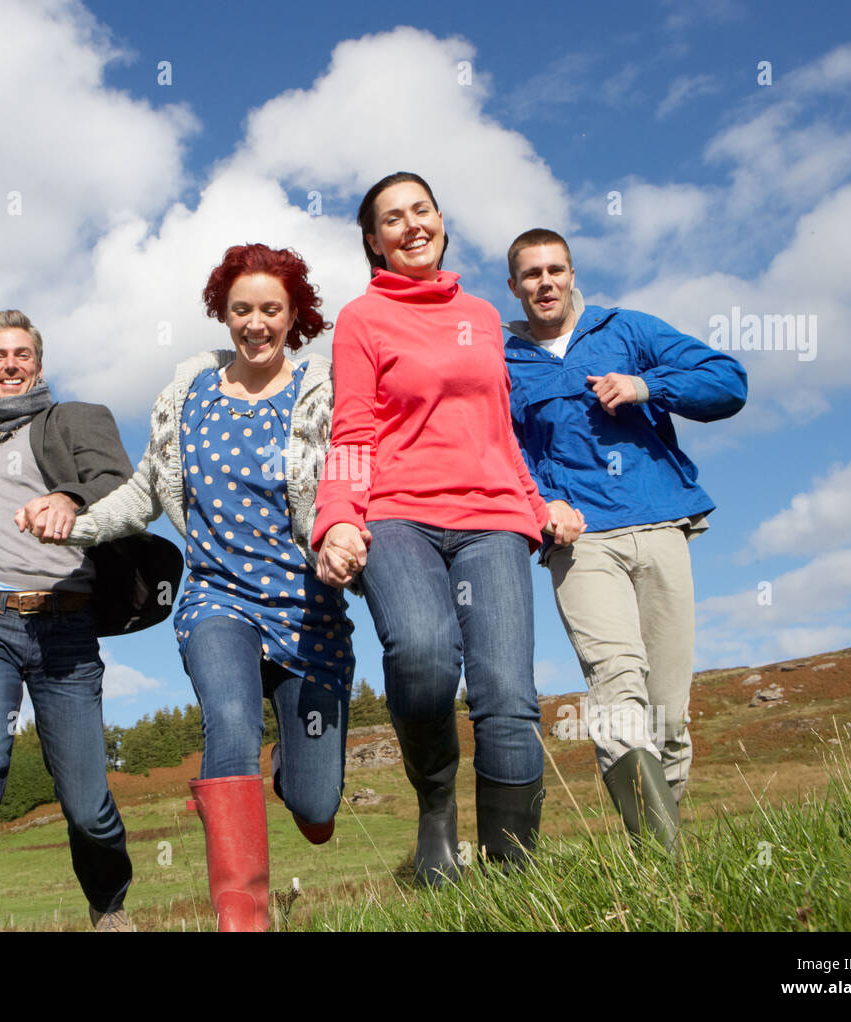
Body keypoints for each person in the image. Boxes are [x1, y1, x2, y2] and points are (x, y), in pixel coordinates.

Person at [19, 244, 353, 932]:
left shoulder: (322, 394)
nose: (255, 324)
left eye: (270, 309)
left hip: (306, 608)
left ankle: (295, 773)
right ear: (222, 314)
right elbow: (143, 489)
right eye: (241, 310)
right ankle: (242, 919)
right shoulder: (188, 395)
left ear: (294, 315)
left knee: (317, 810)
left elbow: (353, 483)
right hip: (217, 601)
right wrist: (76, 526)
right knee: (228, 724)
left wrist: (346, 538)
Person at [313, 172, 564, 884]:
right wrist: (337, 520)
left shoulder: (483, 315)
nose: (410, 225)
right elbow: (353, 428)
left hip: (491, 518)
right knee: (423, 652)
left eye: (420, 210)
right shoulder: (364, 319)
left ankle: (514, 882)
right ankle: (435, 805)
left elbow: (498, 428)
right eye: (392, 219)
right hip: (396, 514)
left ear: (442, 221)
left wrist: (535, 503)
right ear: (374, 242)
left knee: (508, 695)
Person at [503, 228, 747, 851]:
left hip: (659, 522)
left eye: (555, 270)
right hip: (580, 541)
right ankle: (663, 858)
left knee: (667, 713)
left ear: (573, 273)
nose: (545, 283)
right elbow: (495, 445)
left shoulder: (627, 329)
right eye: (531, 275)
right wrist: (541, 502)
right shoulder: (502, 359)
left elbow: (728, 380)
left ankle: (659, 865)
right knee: (617, 681)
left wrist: (645, 386)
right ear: (514, 286)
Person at [0, 310, 137, 931]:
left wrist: (69, 498)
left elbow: (120, 484)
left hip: (65, 627)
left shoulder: (72, 419)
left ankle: (109, 904)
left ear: (38, 364)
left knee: (88, 808)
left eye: (22, 355)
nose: (10, 365)